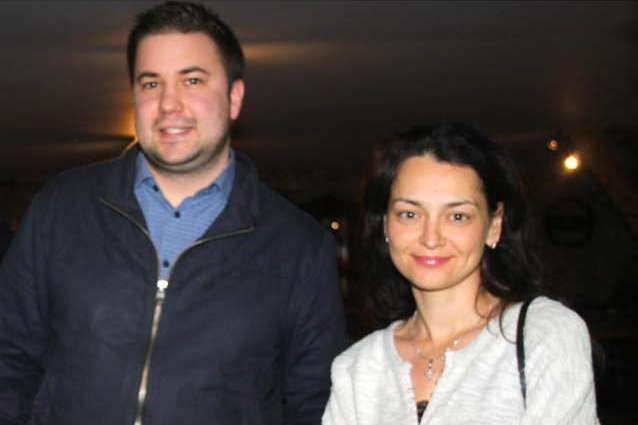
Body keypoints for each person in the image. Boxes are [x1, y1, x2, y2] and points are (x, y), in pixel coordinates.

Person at [0, 2, 346, 424]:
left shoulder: (298, 246)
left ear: (234, 97)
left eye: (192, 80)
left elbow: (312, 403)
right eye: (151, 84)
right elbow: (9, 355)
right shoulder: (63, 207)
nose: (168, 104)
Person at [322, 123, 599, 424]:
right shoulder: (357, 367)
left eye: (457, 216)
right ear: (386, 224)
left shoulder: (544, 335)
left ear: (494, 225)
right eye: (410, 214)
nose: (431, 238)